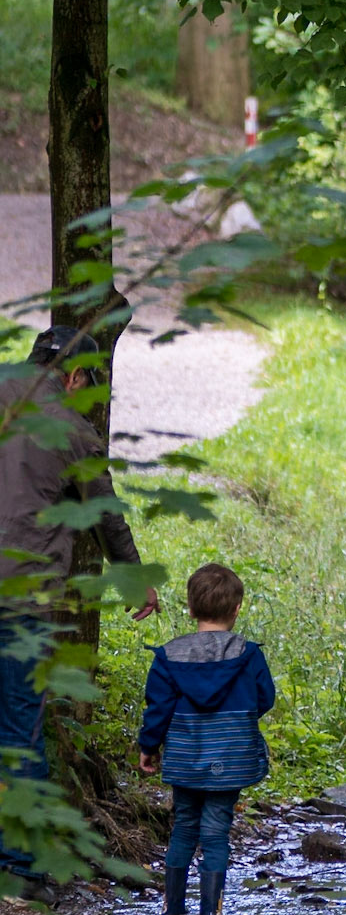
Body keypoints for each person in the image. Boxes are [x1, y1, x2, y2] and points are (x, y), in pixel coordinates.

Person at [0, 325, 160, 883]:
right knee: (20, 729)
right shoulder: (72, 431)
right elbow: (106, 516)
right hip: (23, 602)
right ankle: (19, 868)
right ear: (73, 377)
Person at [137, 561, 275, 915]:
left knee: (183, 826)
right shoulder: (248, 655)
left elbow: (158, 709)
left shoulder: (169, 657)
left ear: (191, 608)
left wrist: (148, 746)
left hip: (185, 758)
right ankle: (211, 913)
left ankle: (173, 911)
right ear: (236, 609)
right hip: (230, 760)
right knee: (216, 833)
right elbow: (265, 699)